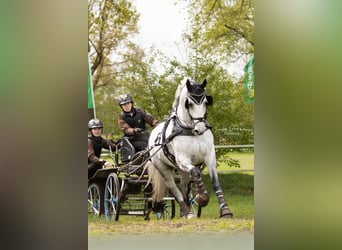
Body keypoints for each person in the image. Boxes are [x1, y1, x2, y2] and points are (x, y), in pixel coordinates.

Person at [117, 93, 159, 161]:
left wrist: (156, 124)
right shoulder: (121, 117)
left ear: (131, 103)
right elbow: (126, 129)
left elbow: (150, 119)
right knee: (147, 146)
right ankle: (150, 160)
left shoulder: (140, 111)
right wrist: (134, 130)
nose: (127, 105)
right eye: (124, 104)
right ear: (121, 106)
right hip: (132, 139)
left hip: (145, 136)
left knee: (157, 142)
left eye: (128, 103)